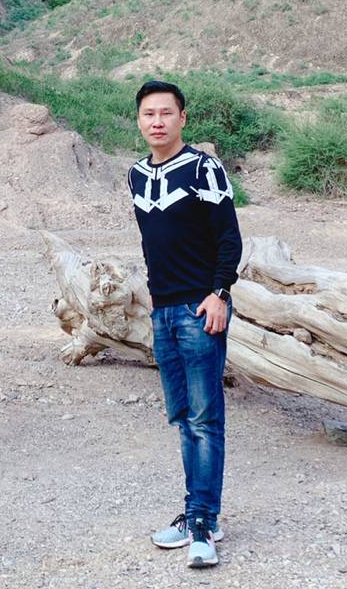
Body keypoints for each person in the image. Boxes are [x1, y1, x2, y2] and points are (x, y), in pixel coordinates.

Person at [128, 80, 242, 569]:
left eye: (166, 113)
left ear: (182, 118)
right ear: (139, 120)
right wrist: (156, 300)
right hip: (163, 311)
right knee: (182, 416)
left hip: (201, 309)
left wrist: (220, 294)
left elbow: (229, 238)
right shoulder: (136, 175)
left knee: (204, 418)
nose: (157, 121)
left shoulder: (203, 168)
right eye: (149, 114)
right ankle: (199, 512)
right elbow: (153, 244)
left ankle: (202, 522)